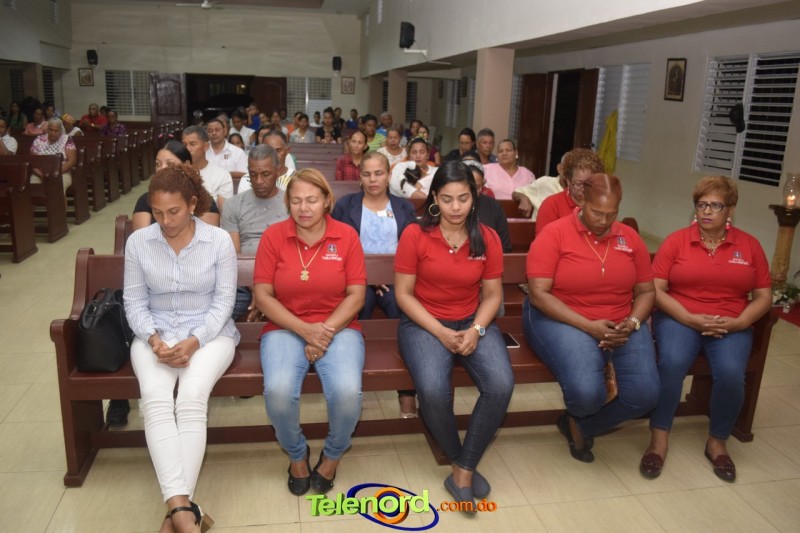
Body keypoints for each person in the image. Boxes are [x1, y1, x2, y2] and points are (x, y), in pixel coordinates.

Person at [124, 163, 238, 532]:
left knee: (190, 398)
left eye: (174, 211)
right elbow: (134, 302)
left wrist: (194, 340)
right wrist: (153, 339)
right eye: (157, 212)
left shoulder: (217, 241)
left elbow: (223, 302)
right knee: (155, 400)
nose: (165, 221)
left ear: (192, 204)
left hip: (210, 334)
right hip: (154, 334)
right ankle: (184, 512)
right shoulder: (139, 242)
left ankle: (175, 514)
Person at [394, 160, 514, 512]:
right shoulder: (415, 234)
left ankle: (462, 468)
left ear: (475, 197)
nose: (456, 207)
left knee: (501, 384)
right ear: (434, 198)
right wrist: (441, 331)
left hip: (473, 320)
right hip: (422, 323)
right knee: (433, 390)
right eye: (447, 199)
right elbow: (404, 295)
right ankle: (461, 460)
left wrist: (476, 329)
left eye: (463, 198)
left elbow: (492, 296)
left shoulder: (487, 237)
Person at [640, 176, 772, 482]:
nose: (707, 211)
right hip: (679, 317)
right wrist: (689, 318)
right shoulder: (676, 241)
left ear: (731, 210)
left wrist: (741, 322)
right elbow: (655, 289)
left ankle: (717, 441)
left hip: (731, 322)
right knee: (672, 363)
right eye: (701, 205)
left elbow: (764, 296)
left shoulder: (749, 245)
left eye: (716, 205)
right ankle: (659, 440)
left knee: (731, 373)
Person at [523, 173, 659, 463]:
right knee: (587, 394)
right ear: (582, 200)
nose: (604, 221)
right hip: (562, 317)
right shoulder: (555, 234)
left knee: (645, 395)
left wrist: (633, 323)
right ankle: (582, 415)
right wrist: (589, 326)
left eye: (612, 214)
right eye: (597, 212)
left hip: (621, 321)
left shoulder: (629, 238)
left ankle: (581, 425)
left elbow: (647, 291)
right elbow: (538, 294)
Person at [254, 168, 366, 496]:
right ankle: (296, 453)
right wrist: (305, 331)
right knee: (278, 390)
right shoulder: (273, 236)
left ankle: (333, 454)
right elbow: (263, 296)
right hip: (285, 325)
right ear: (287, 203)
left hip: (338, 326)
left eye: (312, 200)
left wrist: (323, 333)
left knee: (347, 391)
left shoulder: (346, 236)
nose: (304, 208)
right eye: (296, 201)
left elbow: (356, 296)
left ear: (327, 201)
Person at [222, 145, 289, 321]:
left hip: (282, 275)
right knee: (227, 304)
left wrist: (264, 288)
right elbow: (234, 255)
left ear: (278, 171)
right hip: (243, 279)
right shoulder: (232, 205)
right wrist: (255, 286)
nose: (258, 181)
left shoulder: (292, 203)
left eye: (265, 174)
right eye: (253, 175)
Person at [133, 141, 221, 232]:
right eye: (158, 164)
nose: (162, 169)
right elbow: (142, 238)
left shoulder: (203, 199)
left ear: (186, 165)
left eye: (170, 164)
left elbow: (209, 237)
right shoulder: (146, 199)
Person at [536, 148, 604, 235]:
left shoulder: (601, 204)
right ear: (568, 181)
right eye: (578, 184)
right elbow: (543, 241)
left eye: (589, 184)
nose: (584, 189)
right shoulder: (552, 205)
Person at [461, 158, 512, 252]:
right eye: (466, 186)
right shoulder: (449, 206)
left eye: (476, 187)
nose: (470, 191)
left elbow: (504, 247)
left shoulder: (494, 206)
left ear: (481, 187)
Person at [182, 125, 234, 209]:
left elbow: (224, 212)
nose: (188, 149)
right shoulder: (178, 172)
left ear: (206, 146)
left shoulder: (222, 175)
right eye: (184, 145)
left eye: (192, 144)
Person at [512, 154, 567, 219]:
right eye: (569, 168)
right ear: (560, 168)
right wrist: (523, 199)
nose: (572, 172)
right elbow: (516, 192)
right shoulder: (545, 182)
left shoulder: (577, 193)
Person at [30, 117, 76, 194]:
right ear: (47, 129)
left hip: (62, 174)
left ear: (61, 130)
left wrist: (55, 174)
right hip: (39, 174)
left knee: (57, 189)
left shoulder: (67, 139)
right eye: (50, 130)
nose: (53, 133)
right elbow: (33, 161)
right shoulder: (38, 139)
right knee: (31, 189)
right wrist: (41, 174)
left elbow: (72, 161)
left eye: (56, 131)